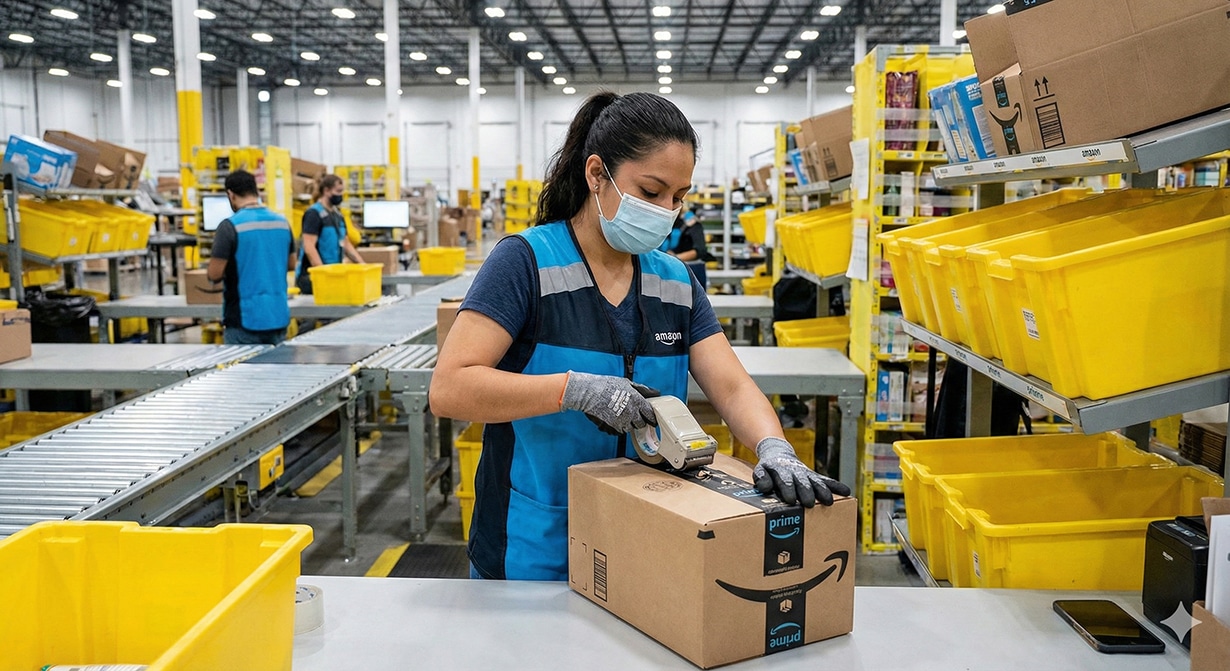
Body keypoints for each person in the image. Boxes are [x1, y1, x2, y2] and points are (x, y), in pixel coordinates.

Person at [429, 91, 850, 582]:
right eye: (651, 193)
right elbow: (450, 388)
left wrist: (774, 447)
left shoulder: (674, 281)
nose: (666, 210)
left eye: (679, 197)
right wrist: (575, 390)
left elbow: (732, 387)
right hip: (534, 545)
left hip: (647, 540)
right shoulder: (525, 263)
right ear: (595, 175)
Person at [207, 170, 295, 345]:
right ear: (256, 191)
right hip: (278, 316)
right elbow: (291, 264)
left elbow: (214, 274)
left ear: (230, 195)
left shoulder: (229, 227)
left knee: (243, 372)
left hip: (244, 321)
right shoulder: (282, 222)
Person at [295, 174, 364, 294]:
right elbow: (309, 247)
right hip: (312, 278)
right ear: (326, 191)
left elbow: (346, 244)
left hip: (333, 275)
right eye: (338, 191)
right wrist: (322, 274)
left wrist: (363, 266)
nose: (341, 195)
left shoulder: (338, 215)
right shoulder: (314, 214)